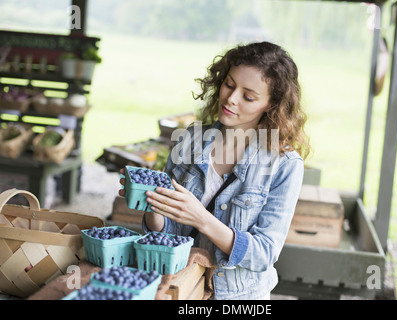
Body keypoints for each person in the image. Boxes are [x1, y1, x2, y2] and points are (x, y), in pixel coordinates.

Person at [119, 41, 310, 300]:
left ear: (271, 103)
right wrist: (153, 204)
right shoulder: (189, 139)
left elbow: (263, 253)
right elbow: (167, 235)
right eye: (229, 84)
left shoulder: (284, 165)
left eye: (248, 96)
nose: (231, 99)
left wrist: (201, 218)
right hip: (184, 286)